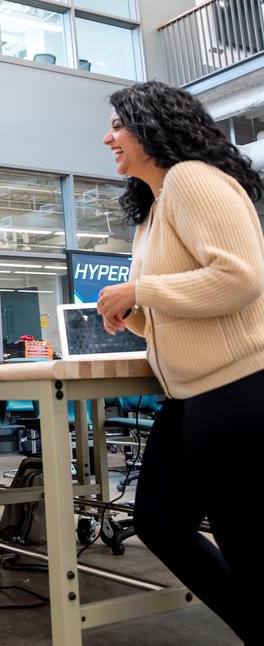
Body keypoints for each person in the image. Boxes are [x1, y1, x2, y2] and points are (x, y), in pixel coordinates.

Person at [96, 81, 264, 643]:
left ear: (151, 126)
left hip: (239, 386)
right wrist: (133, 312)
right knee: (160, 521)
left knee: (248, 549)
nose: (108, 137)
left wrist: (140, 292)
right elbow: (178, 302)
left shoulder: (193, 178)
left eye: (118, 125)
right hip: (193, 394)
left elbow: (239, 278)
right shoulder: (153, 209)